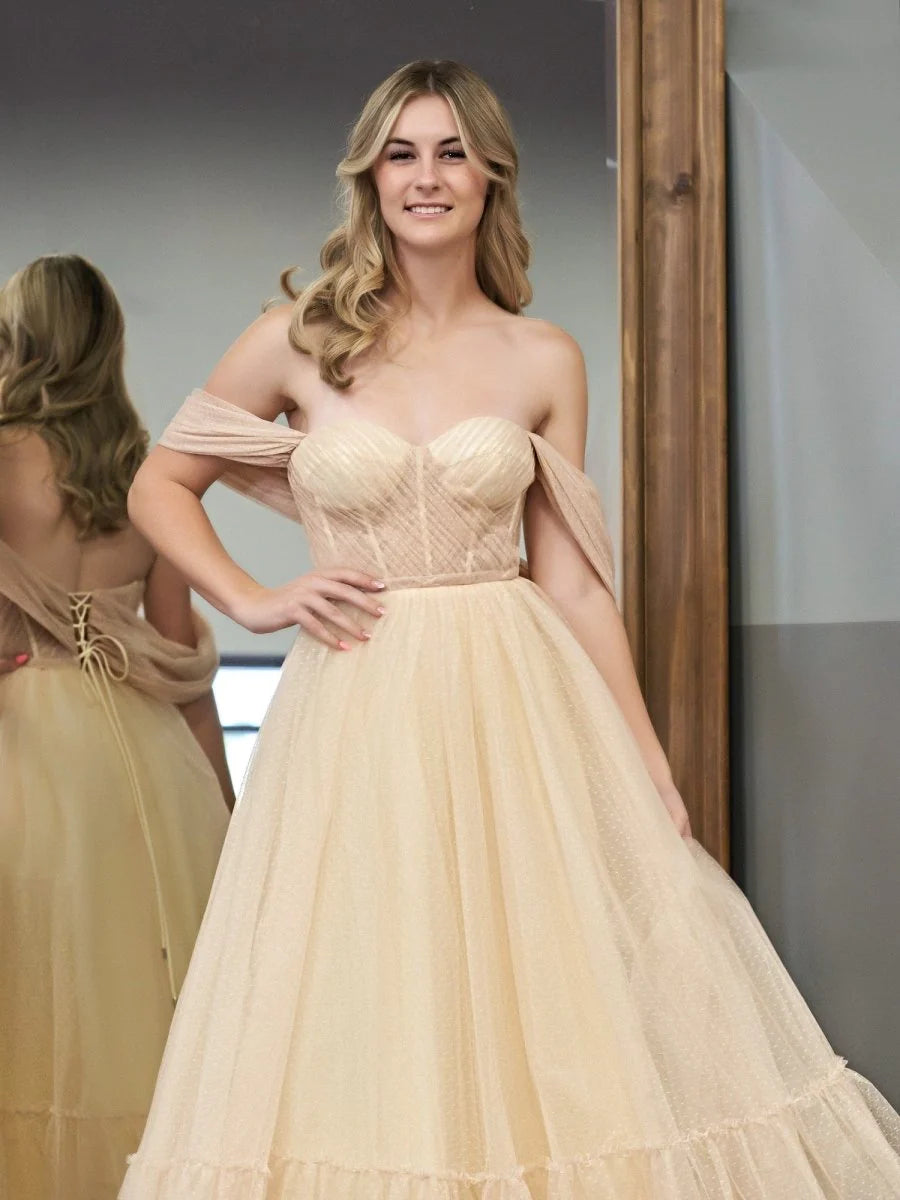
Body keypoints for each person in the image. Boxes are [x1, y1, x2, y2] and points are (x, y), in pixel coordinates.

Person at [120, 61, 900, 1199]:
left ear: (491, 175)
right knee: (376, 982)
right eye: (401, 154)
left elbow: (573, 582)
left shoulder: (544, 357)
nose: (426, 177)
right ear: (369, 178)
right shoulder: (295, 338)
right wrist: (251, 599)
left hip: (514, 706)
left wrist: (644, 760)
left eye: (451, 153)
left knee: (536, 985)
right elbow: (159, 485)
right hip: (358, 700)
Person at [0, 254, 233, 1200]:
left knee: (33, 995)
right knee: (136, 1000)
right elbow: (178, 655)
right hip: (147, 759)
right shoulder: (150, 472)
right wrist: (226, 807)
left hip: (27, 742)